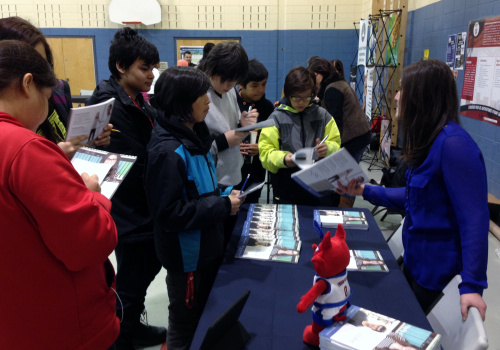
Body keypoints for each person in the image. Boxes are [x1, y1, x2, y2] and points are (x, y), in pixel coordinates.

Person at [337, 59, 489, 320]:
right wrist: (365, 191)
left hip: (433, 277)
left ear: (421, 96)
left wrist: (472, 285)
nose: (396, 97)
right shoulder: (432, 140)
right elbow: (416, 196)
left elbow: (474, 218)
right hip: (414, 264)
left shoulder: (454, 145)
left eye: (402, 89)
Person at [0, 40, 118, 349]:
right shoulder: (24, 147)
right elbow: (90, 242)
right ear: (28, 84)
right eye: (46, 97)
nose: (46, 108)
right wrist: (93, 195)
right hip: (59, 326)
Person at [145, 66, 244, 350]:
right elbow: (169, 213)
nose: (208, 101)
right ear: (181, 102)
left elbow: (198, 189)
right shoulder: (167, 151)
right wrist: (223, 206)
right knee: (184, 325)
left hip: (204, 249)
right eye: (201, 95)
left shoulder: (193, 136)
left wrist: (225, 193)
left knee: (203, 316)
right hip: (187, 257)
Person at [86, 27, 166, 349]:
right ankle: (122, 337)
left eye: (152, 68)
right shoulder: (107, 104)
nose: (151, 75)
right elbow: (131, 160)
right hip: (128, 211)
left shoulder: (138, 101)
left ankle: (132, 327)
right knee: (130, 283)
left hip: (146, 207)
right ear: (121, 66)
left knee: (147, 271)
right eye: (144, 69)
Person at [0, 16, 112, 159]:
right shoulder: (10, 131)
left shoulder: (57, 91)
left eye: (43, 63)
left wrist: (90, 141)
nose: (42, 75)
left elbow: (71, 141)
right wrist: (55, 156)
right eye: (31, 64)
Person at [200, 41, 257, 244]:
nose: (227, 87)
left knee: (230, 239)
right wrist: (225, 140)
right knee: (215, 243)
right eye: (224, 81)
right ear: (211, 69)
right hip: (212, 183)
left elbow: (228, 125)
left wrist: (242, 123)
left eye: (233, 83)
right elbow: (195, 147)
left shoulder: (230, 91)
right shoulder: (199, 94)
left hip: (233, 176)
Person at [259, 66, 341, 205]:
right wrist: (284, 158)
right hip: (287, 188)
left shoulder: (322, 115)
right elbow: (265, 153)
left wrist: (328, 148)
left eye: (306, 98)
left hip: (319, 187)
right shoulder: (276, 118)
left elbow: (336, 143)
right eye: (296, 98)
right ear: (288, 93)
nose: (302, 102)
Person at [308, 58, 371, 207]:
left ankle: (344, 210)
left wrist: (331, 146)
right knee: (347, 173)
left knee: (346, 175)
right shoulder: (338, 83)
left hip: (354, 138)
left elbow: (335, 121)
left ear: (318, 74)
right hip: (360, 135)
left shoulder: (332, 89)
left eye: (313, 77)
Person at [235, 58, 275, 203]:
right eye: (255, 85)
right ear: (241, 84)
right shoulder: (232, 104)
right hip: (232, 171)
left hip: (256, 172)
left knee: (251, 206)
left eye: (264, 84)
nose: (260, 90)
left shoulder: (268, 108)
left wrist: (260, 147)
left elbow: (274, 140)